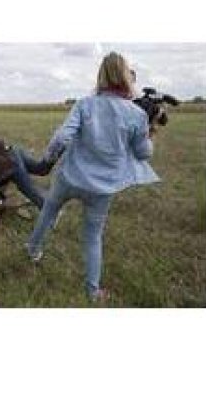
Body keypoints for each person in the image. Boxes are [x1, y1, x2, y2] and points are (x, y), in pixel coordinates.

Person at [25, 52, 160, 302]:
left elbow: (61, 138)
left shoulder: (85, 104)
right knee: (93, 236)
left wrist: (48, 160)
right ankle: (93, 290)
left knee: (49, 210)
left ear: (101, 76)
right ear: (125, 77)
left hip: (69, 177)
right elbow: (143, 154)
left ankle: (33, 248)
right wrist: (150, 134)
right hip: (103, 188)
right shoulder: (137, 115)